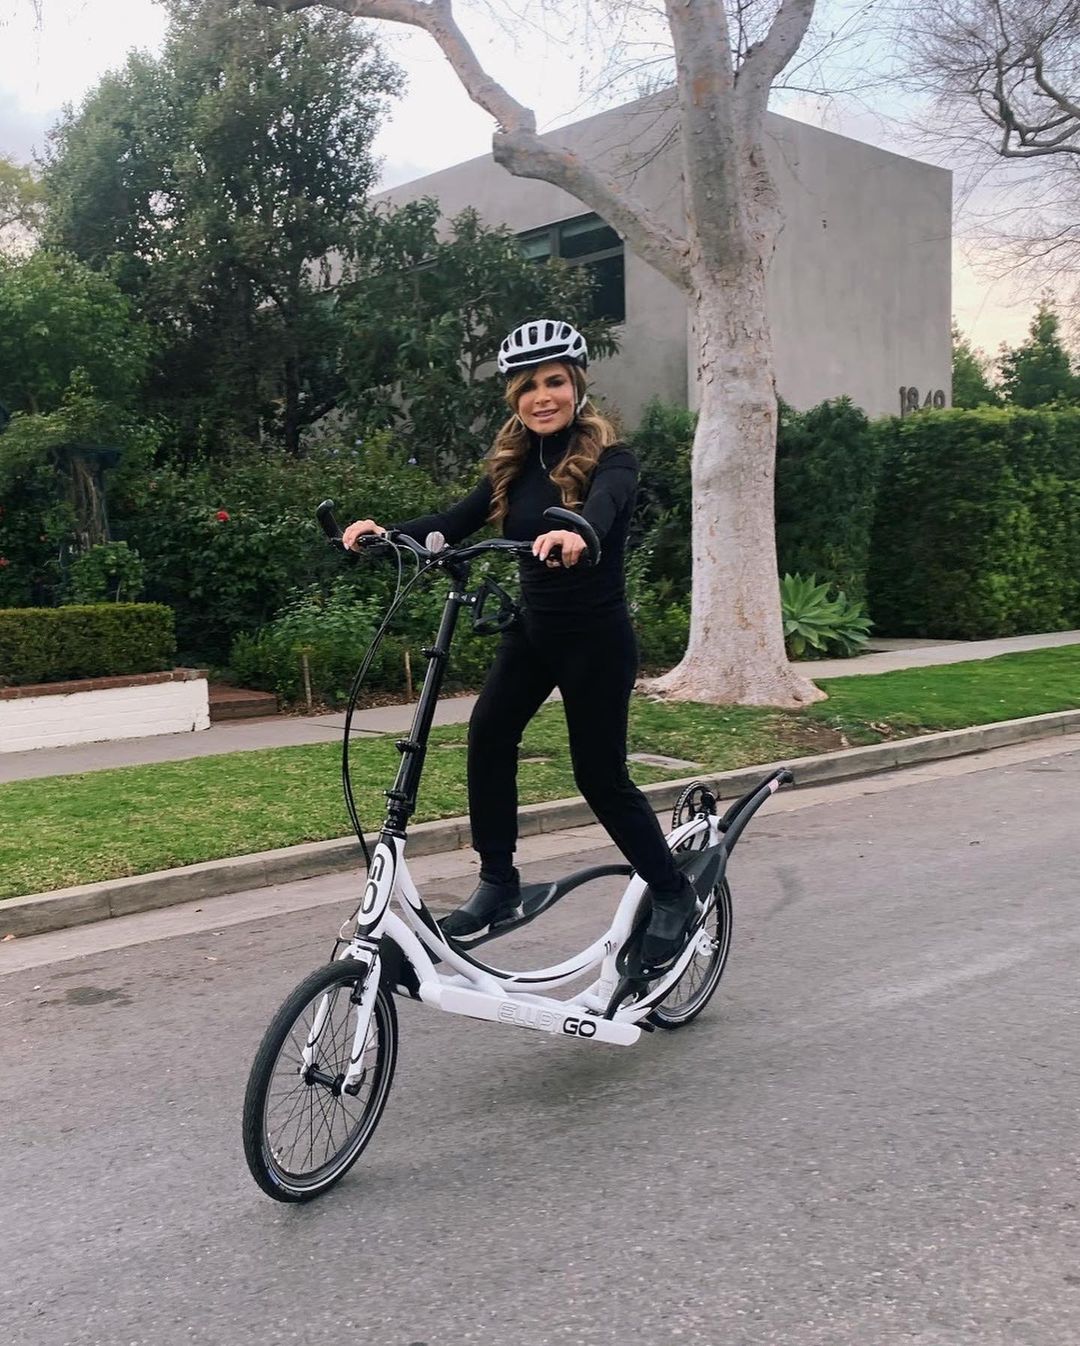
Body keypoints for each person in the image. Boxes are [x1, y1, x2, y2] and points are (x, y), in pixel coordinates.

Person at [342, 318, 698, 971]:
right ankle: (499, 882)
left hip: (595, 638)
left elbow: (607, 508)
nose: (542, 397)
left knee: (599, 774)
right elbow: (451, 524)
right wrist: (383, 532)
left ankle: (674, 892)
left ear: (577, 386)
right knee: (488, 733)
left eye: (555, 382)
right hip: (534, 630)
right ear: (514, 396)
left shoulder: (611, 459)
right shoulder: (513, 464)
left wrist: (578, 534)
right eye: (528, 386)